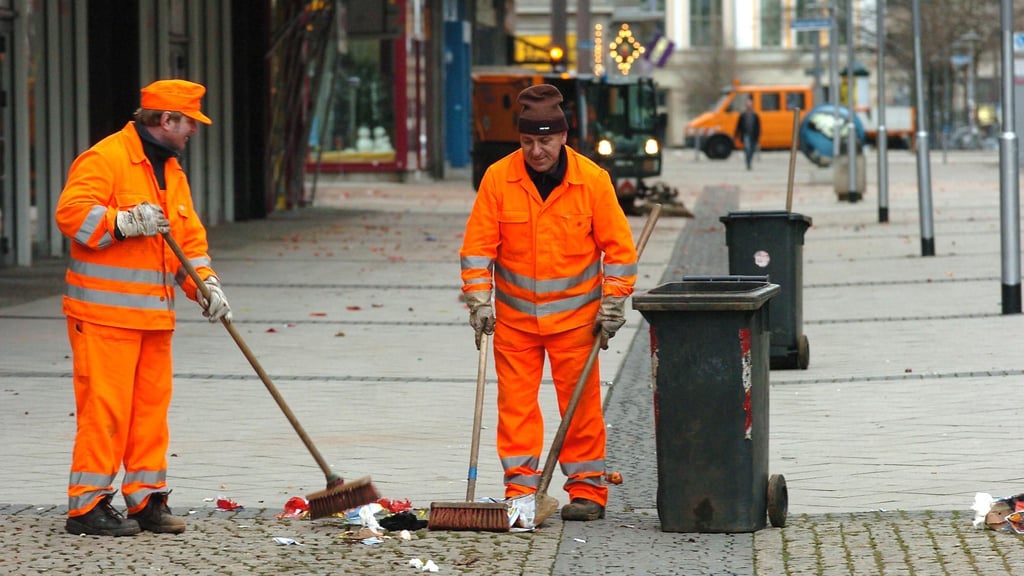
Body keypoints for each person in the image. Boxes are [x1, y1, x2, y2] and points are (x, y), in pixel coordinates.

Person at [55, 79, 232, 537]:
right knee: (106, 412)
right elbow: (71, 214)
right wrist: (124, 221)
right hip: (102, 317)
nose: (194, 131)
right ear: (167, 120)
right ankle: (87, 508)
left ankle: (147, 501)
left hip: (153, 318)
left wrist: (205, 286)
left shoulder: (171, 172)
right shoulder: (107, 158)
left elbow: (187, 243)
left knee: (150, 414)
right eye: (190, 122)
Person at [459, 84, 638, 522]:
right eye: (527, 141)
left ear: (563, 137)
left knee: (579, 407)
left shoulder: (592, 181)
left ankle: (587, 492)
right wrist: (480, 301)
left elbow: (620, 252)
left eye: (544, 140)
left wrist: (613, 305)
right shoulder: (499, 179)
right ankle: (521, 491)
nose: (536, 151)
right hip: (516, 322)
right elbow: (478, 250)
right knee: (516, 408)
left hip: (577, 323)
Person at [734, 99, 761, 170]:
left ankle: (750, 161)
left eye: (750, 105)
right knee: (747, 149)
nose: (749, 107)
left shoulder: (755, 115)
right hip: (746, 135)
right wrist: (736, 135)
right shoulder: (743, 115)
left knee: (752, 150)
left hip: (753, 135)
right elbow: (738, 126)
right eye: (748, 105)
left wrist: (758, 135)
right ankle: (748, 163)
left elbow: (758, 126)